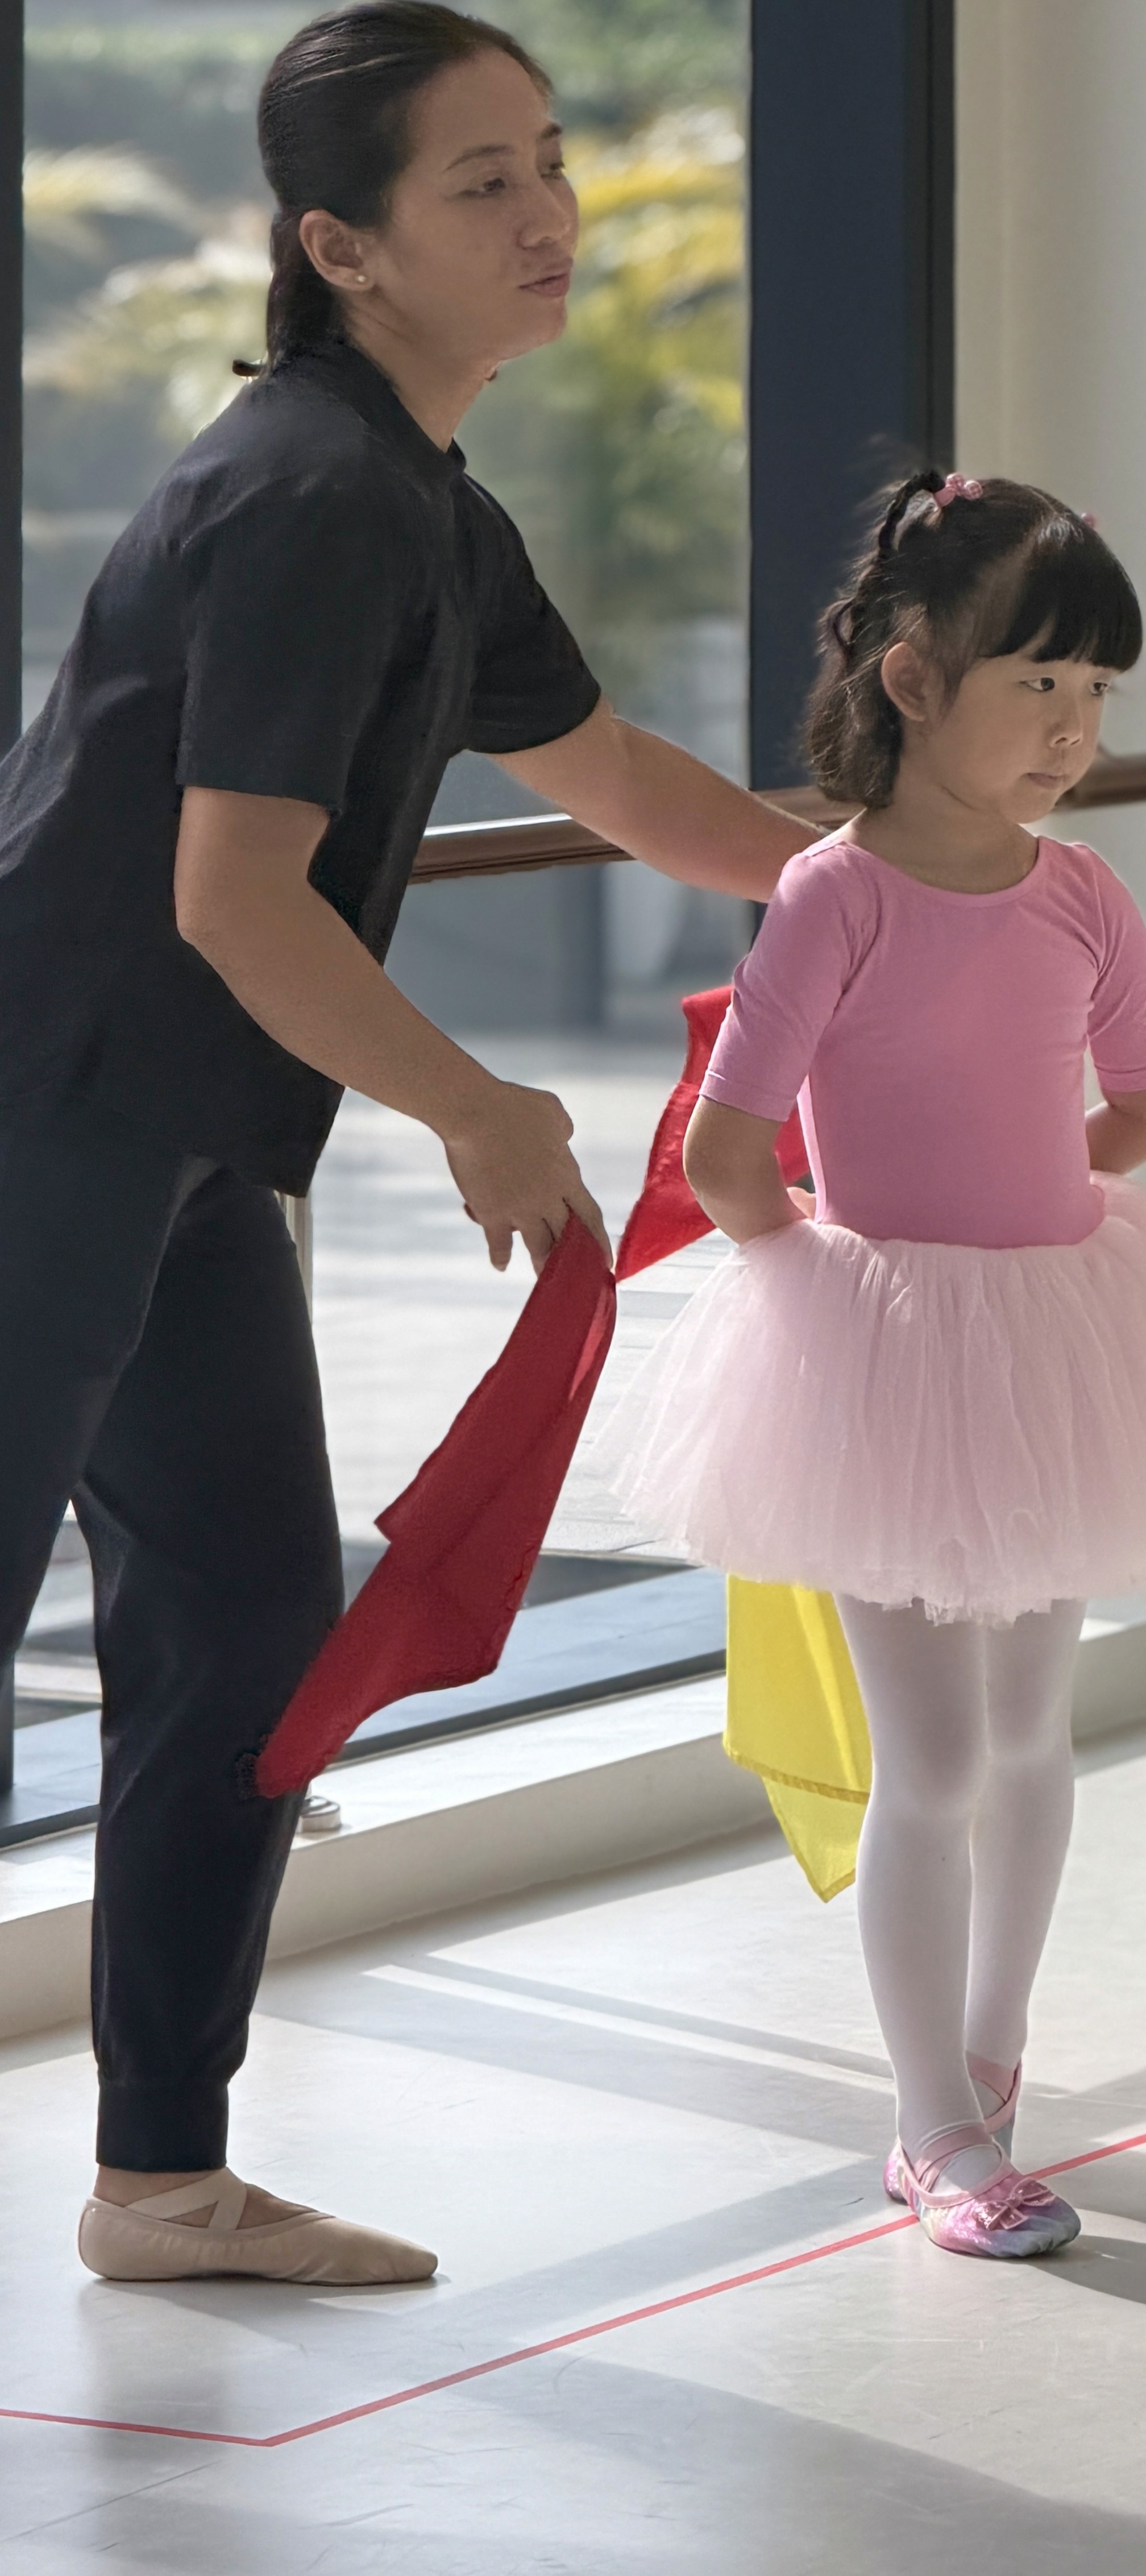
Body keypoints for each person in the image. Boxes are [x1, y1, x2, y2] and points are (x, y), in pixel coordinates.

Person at [0, 2, 811, 2286]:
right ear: (341, 244)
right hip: (41, 1122)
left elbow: (622, 776)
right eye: (484, 183)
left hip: (175, 1141)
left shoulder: (428, 505)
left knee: (251, 1617)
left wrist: (896, 885)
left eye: (547, 159)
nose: (548, 213)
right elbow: (230, 892)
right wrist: (475, 1106)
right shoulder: (309, 497)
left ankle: (162, 2173)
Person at [599, 471, 1146, 2258]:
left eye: (1095, 697)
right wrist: (833, 1305)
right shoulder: (832, 894)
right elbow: (728, 1155)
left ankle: (990, 2066)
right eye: (1037, 688)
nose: (1072, 731)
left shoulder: (1077, 894)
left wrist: (1036, 1199)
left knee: (1028, 1734)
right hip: (878, 1351)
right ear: (914, 681)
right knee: (926, 1755)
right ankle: (930, 2128)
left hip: (1058, 1334)